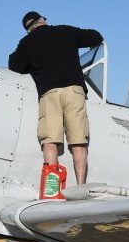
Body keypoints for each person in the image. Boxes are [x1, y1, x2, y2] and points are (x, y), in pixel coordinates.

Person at [8, 11, 103, 185]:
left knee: (50, 142)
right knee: (79, 142)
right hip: (74, 91)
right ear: (43, 20)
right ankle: (80, 186)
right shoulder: (65, 31)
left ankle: (53, 189)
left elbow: (14, 64)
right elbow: (96, 37)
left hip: (49, 93)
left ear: (28, 29)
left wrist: (32, 63)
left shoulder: (27, 42)